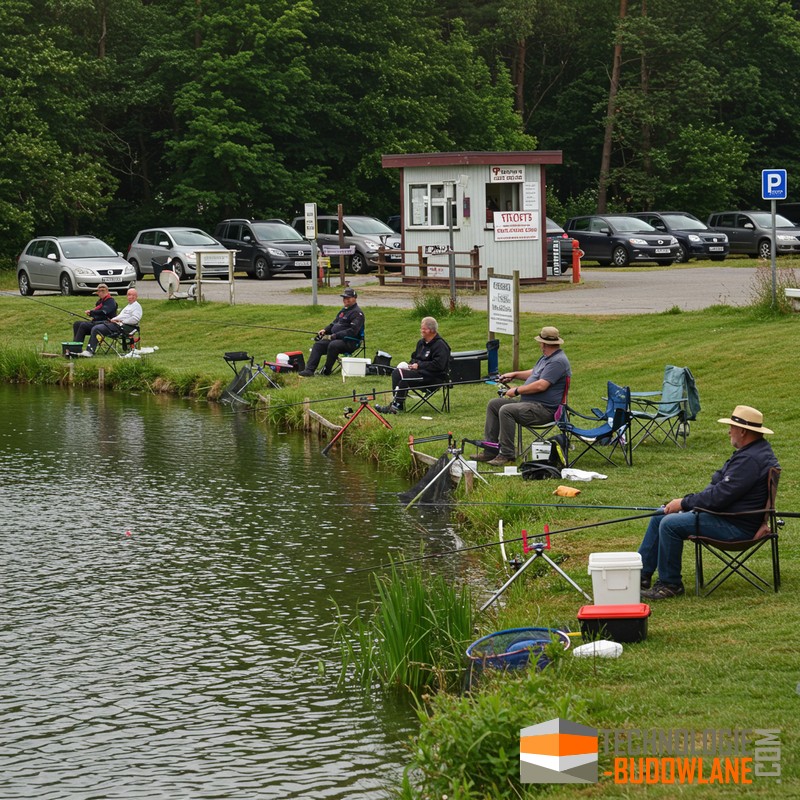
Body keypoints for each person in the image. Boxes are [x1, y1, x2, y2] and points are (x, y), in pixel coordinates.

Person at [638, 405, 779, 600]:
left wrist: (684, 503)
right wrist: (686, 504)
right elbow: (716, 488)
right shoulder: (753, 452)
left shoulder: (750, 460)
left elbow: (718, 498)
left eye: (732, 427)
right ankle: (640, 576)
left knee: (670, 524)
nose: (729, 431)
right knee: (659, 515)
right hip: (726, 516)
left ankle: (670, 584)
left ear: (743, 431)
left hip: (736, 525)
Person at [476, 325, 571, 467]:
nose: (540, 345)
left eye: (540, 342)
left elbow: (541, 385)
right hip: (531, 405)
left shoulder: (558, 361)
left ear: (544, 343)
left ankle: (507, 454)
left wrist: (517, 391)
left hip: (545, 410)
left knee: (506, 410)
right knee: (494, 404)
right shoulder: (547, 357)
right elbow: (535, 373)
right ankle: (490, 449)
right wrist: (514, 374)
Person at [376, 317, 450, 414]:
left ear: (431, 330)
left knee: (402, 376)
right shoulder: (421, 343)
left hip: (432, 377)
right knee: (397, 372)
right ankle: (397, 404)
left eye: (423, 329)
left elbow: (438, 365)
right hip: (419, 373)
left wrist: (419, 365)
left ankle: (396, 406)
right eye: (421, 328)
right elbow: (414, 357)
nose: (421, 331)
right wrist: (410, 365)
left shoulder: (440, 345)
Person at [298, 288, 365, 376]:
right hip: (336, 339)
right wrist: (325, 330)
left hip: (351, 342)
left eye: (348, 298)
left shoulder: (357, 313)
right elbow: (333, 324)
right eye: (344, 298)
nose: (346, 300)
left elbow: (353, 331)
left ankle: (327, 370)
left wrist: (336, 335)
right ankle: (309, 370)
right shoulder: (343, 311)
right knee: (318, 345)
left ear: (355, 298)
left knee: (333, 345)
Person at [81, 288, 143, 357]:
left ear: (136, 296)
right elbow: (120, 316)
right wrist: (113, 319)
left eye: (133, 295)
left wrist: (122, 321)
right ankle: (83, 349)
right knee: (95, 325)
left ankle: (90, 351)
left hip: (122, 328)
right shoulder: (128, 306)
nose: (130, 297)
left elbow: (135, 319)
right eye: (129, 295)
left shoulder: (137, 306)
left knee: (96, 329)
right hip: (116, 324)